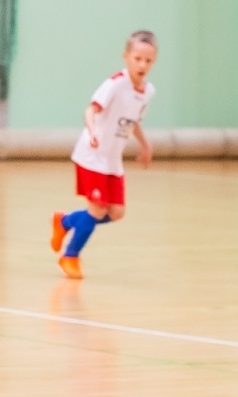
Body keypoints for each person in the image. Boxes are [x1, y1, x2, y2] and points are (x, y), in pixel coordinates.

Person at [51, 31, 158, 279]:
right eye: (137, 58)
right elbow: (91, 110)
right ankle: (70, 256)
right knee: (98, 209)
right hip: (92, 154)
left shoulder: (148, 91)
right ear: (126, 56)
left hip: (112, 160)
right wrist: (91, 132)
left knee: (116, 213)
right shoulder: (115, 84)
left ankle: (65, 222)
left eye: (148, 61)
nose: (142, 65)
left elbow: (134, 122)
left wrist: (145, 145)